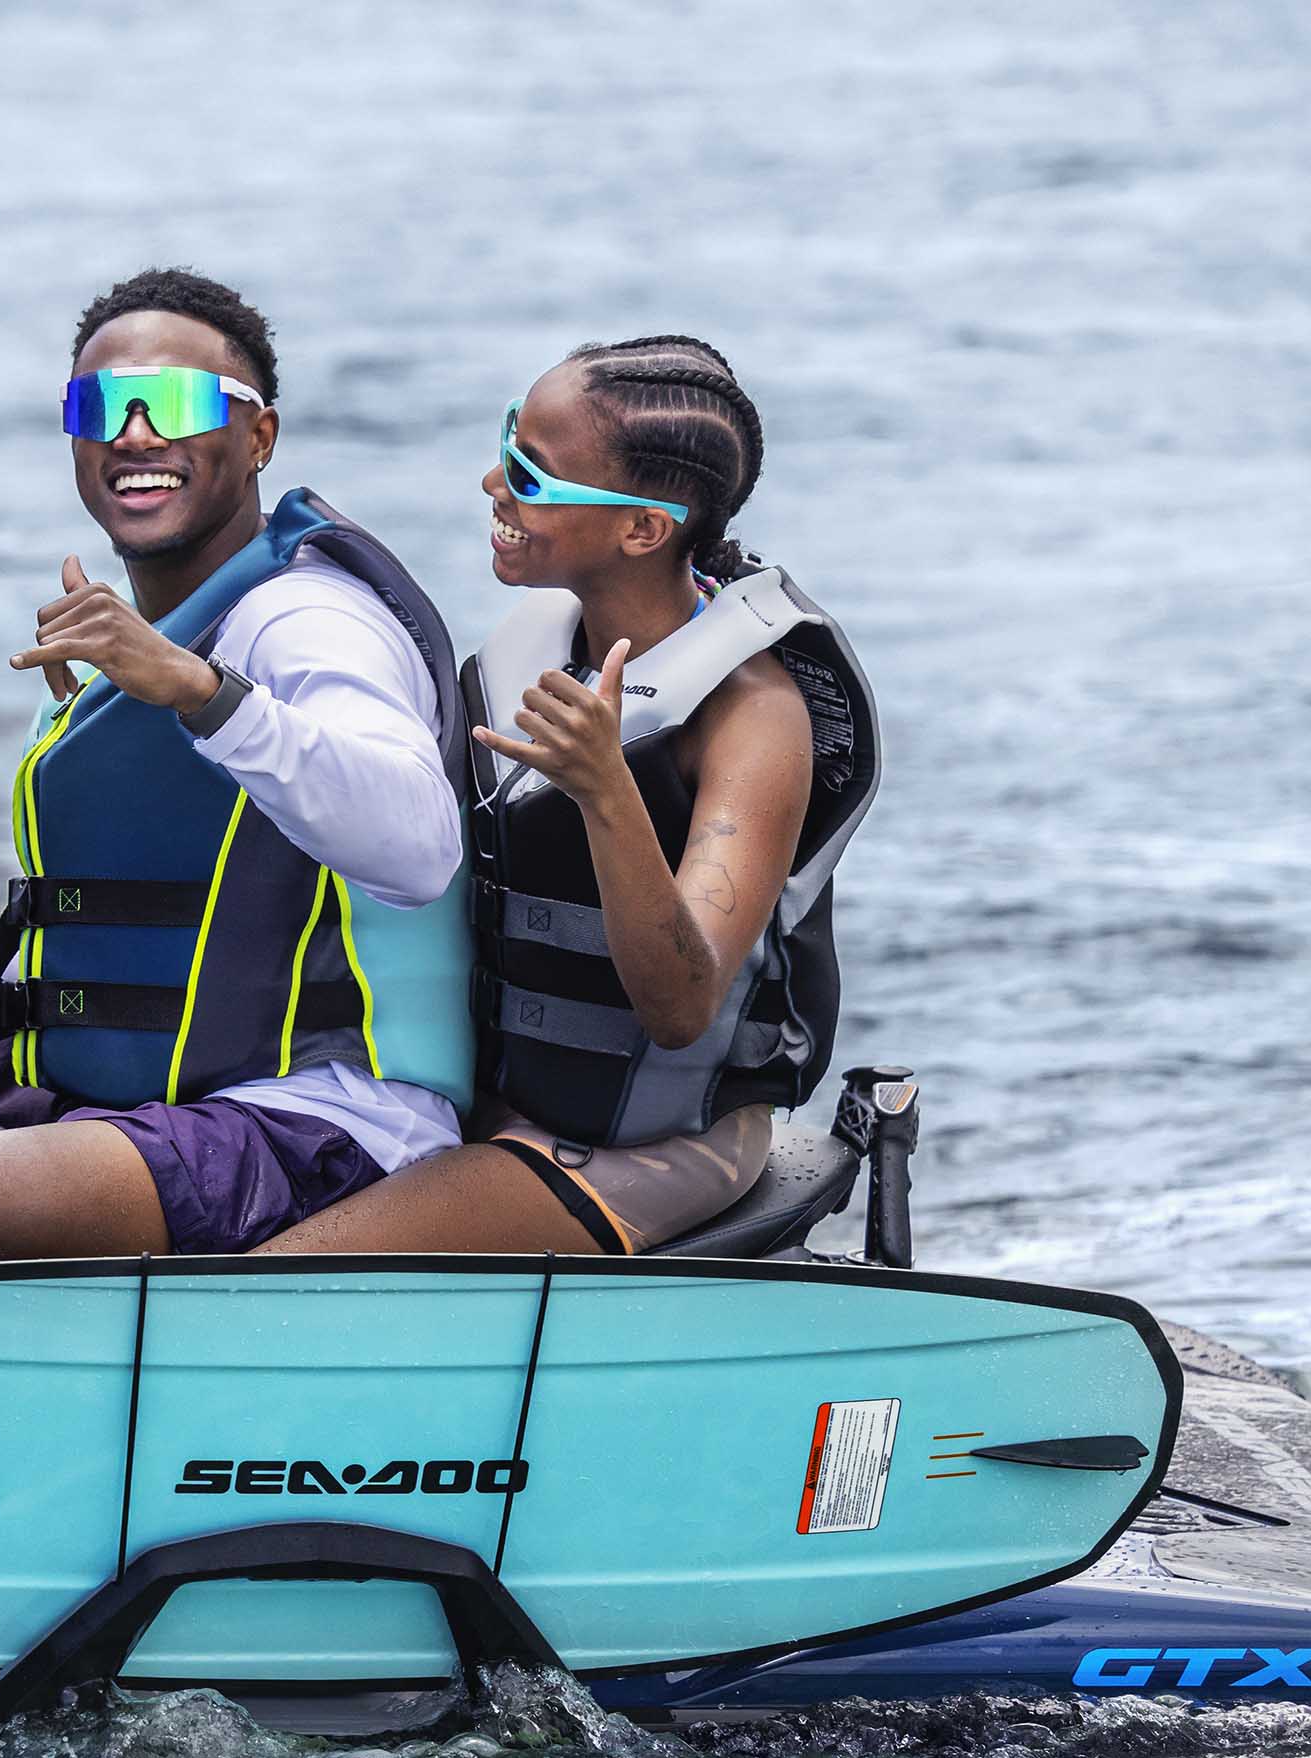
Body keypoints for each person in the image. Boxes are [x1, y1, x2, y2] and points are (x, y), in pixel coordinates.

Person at [0, 270, 471, 1272]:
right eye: (99, 405)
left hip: (315, 1124)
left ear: (259, 438)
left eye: (184, 404)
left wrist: (198, 690)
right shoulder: (128, 638)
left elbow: (416, 846)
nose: (137, 433)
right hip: (142, 1112)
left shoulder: (303, 619)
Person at [261, 338, 877, 1255]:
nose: (490, 484)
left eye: (529, 473)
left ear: (643, 529)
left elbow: (680, 1007)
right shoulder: (538, 644)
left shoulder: (754, 718)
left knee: (278, 1276)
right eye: (507, 443)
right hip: (489, 1101)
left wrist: (607, 791)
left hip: (657, 1145)